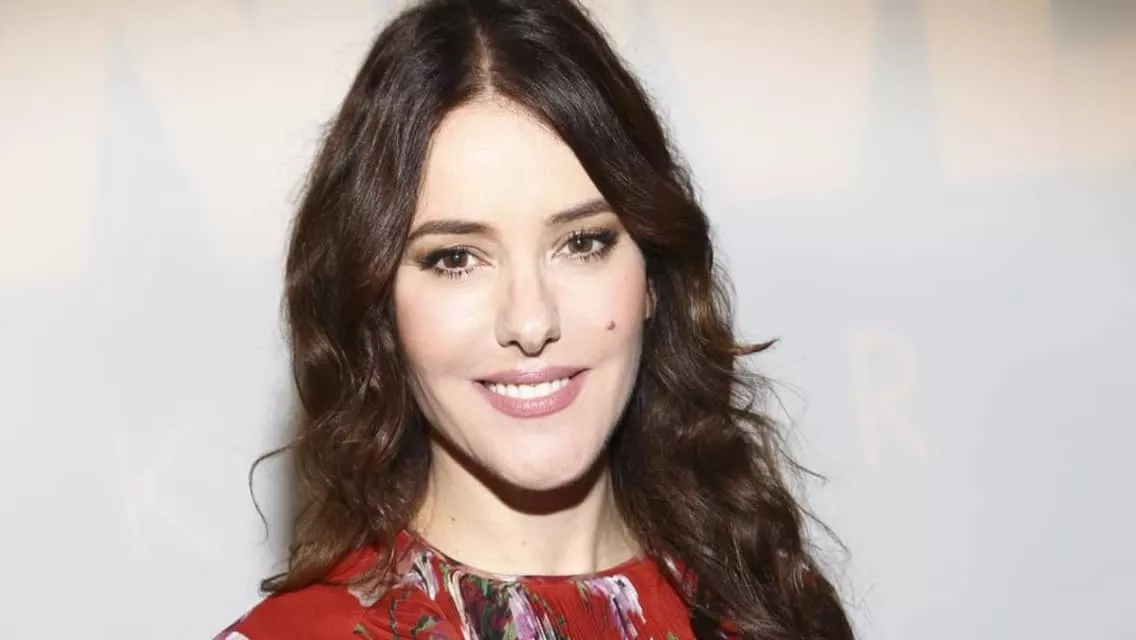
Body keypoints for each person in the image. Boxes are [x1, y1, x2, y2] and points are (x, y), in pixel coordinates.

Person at [215, 0, 853, 638]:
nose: (530, 321)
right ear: (380, 308)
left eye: (582, 242)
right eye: (456, 258)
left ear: (652, 278)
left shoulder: (779, 612)